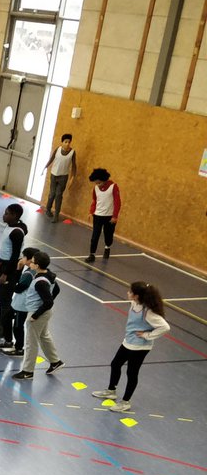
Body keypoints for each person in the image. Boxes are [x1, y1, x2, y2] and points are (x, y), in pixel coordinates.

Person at [92, 281, 170, 413]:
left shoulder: (148, 312)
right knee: (115, 364)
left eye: (130, 291)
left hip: (140, 347)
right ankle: (111, 391)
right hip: (128, 341)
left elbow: (165, 327)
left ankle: (125, 402)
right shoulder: (134, 303)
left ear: (137, 296)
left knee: (132, 373)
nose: (128, 293)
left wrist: (147, 335)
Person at [12, 250, 62, 380]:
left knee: (31, 343)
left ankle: (28, 371)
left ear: (38, 265)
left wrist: (35, 315)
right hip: (43, 312)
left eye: (32, 262)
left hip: (37, 313)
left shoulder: (40, 282)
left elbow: (48, 302)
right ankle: (55, 361)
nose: (30, 264)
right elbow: (56, 290)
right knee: (44, 336)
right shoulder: (48, 274)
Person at [0, 203, 27, 341]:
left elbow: (15, 255)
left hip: (10, 268)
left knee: (5, 298)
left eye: (7, 213)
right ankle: (1, 322)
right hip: (3, 264)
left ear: (14, 216)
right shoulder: (12, 226)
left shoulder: (16, 232)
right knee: (0, 296)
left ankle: (4, 329)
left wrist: (6, 273)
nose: (4, 215)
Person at [0, 246, 38, 357]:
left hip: (23, 305)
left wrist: (11, 282)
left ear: (29, 260)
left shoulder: (30, 273)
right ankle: (8, 341)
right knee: (6, 318)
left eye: (24, 257)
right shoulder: (29, 271)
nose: (22, 258)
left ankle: (19, 348)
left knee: (18, 326)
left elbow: (19, 287)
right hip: (17, 302)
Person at [86, 167, 120, 263]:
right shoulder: (95, 188)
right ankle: (92, 254)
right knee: (95, 236)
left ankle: (107, 247)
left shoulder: (113, 186)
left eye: (99, 183)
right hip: (98, 215)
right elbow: (95, 201)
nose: (97, 185)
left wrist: (115, 216)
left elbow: (118, 202)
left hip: (109, 217)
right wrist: (91, 212)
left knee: (108, 235)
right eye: (96, 183)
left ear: (104, 180)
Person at [42, 133, 75, 222]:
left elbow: (74, 166)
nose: (67, 143)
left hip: (63, 177)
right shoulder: (58, 150)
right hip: (54, 175)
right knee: (52, 194)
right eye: (65, 142)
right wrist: (45, 167)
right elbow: (51, 159)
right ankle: (48, 209)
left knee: (58, 195)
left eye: (69, 142)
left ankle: (56, 215)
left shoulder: (72, 152)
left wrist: (72, 177)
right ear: (62, 142)